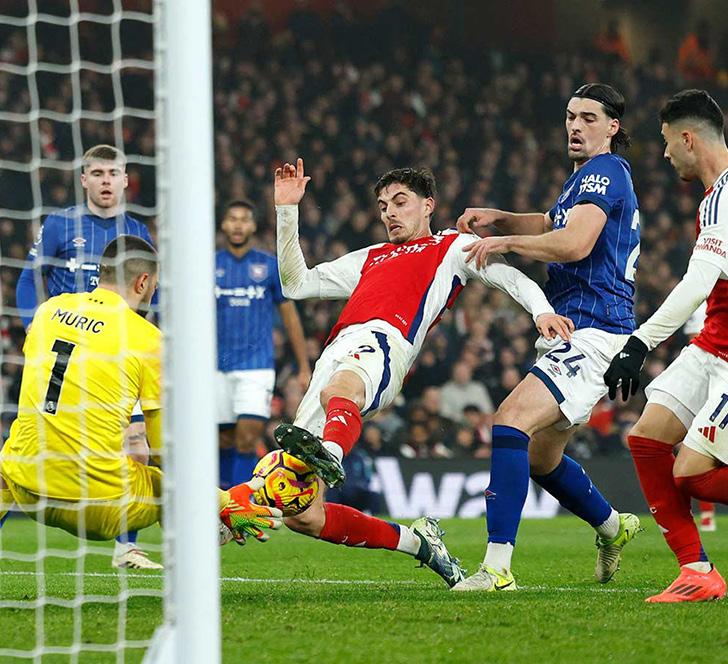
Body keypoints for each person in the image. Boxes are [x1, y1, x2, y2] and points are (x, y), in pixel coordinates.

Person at [273, 158, 573, 588]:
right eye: (383, 206)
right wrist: (287, 211)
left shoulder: (450, 246)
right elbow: (296, 284)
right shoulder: (371, 257)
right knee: (303, 514)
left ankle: (332, 453)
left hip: (384, 342)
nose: (389, 213)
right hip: (333, 354)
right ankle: (417, 543)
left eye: (400, 202)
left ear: (428, 205)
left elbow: (509, 277)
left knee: (341, 390)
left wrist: (541, 311)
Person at [453, 84, 641, 591]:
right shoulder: (583, 179)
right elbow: (553, 222)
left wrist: (506, 241)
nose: (575, 126)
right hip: (576, 325)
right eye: (570, 116)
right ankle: (613, 526)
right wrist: (504, 217)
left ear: (612, 127)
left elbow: (574, 243)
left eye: (588, 118)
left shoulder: (606, 171)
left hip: (594, 329)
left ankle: (496, 568)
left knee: (510, 420)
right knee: (540, 458)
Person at [0, 236, 281, 549]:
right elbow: (163, 453)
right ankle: (212, 533)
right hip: (98, 507)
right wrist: (220, 499)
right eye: (155, 285)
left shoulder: (48, 310)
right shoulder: (148, 339)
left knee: (11, 457)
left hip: (25, 488)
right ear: (143, 282)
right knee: (168, 484)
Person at [604, 89, 728, 602]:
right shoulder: (714, 196)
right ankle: (697, 572)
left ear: (687, 138)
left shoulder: (723, 198)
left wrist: (639, 343)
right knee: (647, 439)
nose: (664, 153)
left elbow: (697, 283)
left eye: (666, 142)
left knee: (692, 475)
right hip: (713, 344)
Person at [14, 144, 159, 569]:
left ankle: (126, 546)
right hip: (66, 351)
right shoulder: (60, 224)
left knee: (135, 445)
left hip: (115, 357)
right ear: (84, 180)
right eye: (97, 173)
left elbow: (150, 292)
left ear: (126, 180)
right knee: (35, 440)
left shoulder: (137, 231)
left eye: (113, 173)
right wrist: (32, 326)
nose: (106, 181)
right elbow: (28, 279)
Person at [215, 200, 310, 488]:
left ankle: (239, 502)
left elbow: (290, 317)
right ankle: (222, 501)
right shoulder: (208, 265)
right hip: (215, 367)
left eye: (244, 219)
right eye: (232, 219)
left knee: (248, 435)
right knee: (222, 440)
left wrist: (303, 366)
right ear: (223, 225)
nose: (238, 225)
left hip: (256, 365)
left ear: (253, 226)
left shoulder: (269, 266)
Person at [683, 302, 717, 533]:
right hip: (708, 381)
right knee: (702, 445)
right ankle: (706, 513)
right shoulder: (700, 303)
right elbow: (694, 340)